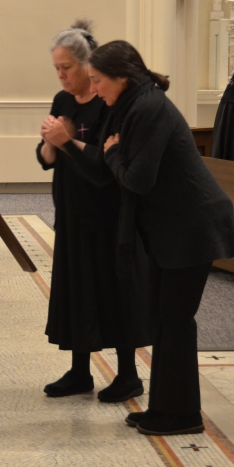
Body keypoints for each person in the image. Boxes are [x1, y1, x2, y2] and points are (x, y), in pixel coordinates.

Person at [50, 40, 234, 436]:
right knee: (163, 321)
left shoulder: (149, 107)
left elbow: (136, 177)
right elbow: (103, 168)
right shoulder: (131, 105)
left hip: (192, 227)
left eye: (99, 80)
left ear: (122, 77)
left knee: (175, 322)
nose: (95, 88)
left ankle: (182, 415)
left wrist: (115, 154)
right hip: (170, 229)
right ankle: (165, 408)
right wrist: (108, 154)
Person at [36, 21, 151, 403]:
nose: (61, 75)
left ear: (88, 66)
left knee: (113, 291)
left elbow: (103, 167)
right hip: (70, 211)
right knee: (76, 289)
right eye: (57, 68)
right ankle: (80, 371)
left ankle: (128, 374)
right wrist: (50, 146)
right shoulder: (62, 100)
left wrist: (65, 142)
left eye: (66, 67)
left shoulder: (108, 103)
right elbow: (47, 157)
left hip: (106, 213)